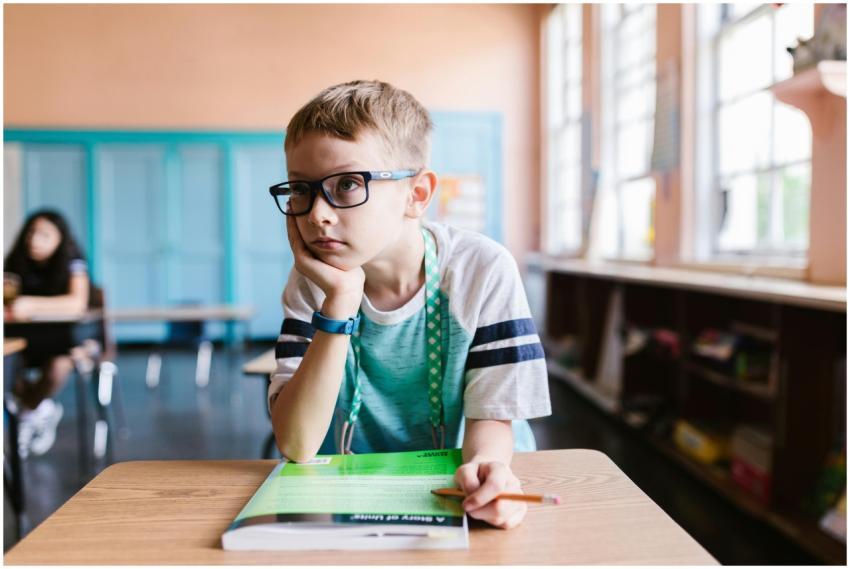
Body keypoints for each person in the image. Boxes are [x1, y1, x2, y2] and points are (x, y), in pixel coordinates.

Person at [268, 80, 551, 530]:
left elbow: (493, 416)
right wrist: (340, 302)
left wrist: (486, 474)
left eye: (346, 184)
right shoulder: (314, 283)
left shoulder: (480, 269)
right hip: (358, 490)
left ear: (417, 194)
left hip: (466, 482)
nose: (317, 214)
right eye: (301, 190)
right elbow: (298, 444)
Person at [4, 209, 91, 457]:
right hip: (25, 340)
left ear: (60, 239)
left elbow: (78, 303)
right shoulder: (16, 262)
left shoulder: (72, 260)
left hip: (63, 341)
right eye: (31, 232)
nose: (35, 240)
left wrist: (30, 304)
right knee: (6, 366)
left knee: (59, 367)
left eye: (45, 235)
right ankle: (38, 410)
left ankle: (27, 412)